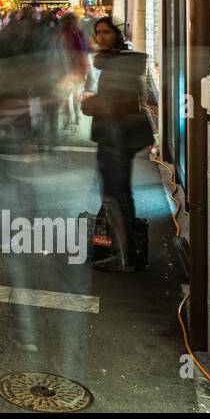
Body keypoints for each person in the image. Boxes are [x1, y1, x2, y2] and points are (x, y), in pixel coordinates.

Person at [81, 17, 154, 273]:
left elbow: (118, 102)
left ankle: (123, 256)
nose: (101, 37)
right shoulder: (118, 61)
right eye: (98, 33)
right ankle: (125, 251)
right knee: (120, 192)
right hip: (121, 134)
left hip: (116, 135)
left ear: (117, 34)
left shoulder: (117, 64)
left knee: (113, 195)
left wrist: (91, 104)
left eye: (106, 32)